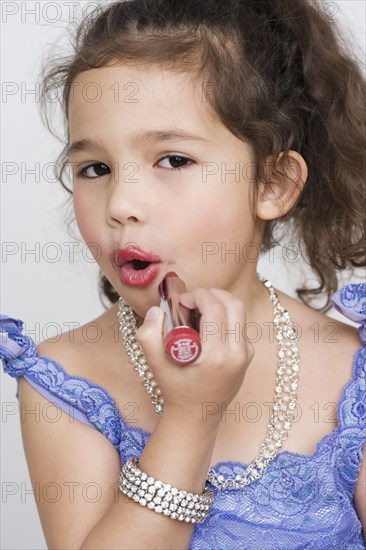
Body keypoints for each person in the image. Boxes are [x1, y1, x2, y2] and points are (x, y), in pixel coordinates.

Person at [1, 0, 365, 547]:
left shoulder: (349, 368)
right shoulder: (66, 379)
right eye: (94, 169)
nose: (121, 203)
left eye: (172, 160)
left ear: (273, 184)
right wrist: (193, 415)